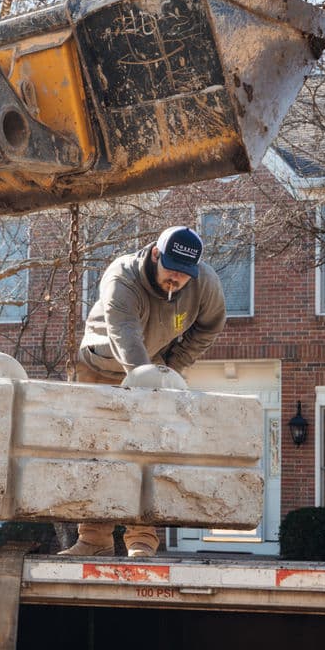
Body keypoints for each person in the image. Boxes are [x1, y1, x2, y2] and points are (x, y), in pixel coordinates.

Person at [61, 225, 226, 558]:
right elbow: (127, 339)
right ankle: (94, 538)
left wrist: (173, 366)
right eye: (171, 270)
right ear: (155, 255)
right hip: (102, 365)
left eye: (184, 275)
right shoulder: (121, 279)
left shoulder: (204, 283)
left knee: (147, 451)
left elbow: (211, 324)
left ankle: (142, 538)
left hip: (152, 366)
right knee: (98, 452)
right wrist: (150, 381)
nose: (176, 280)